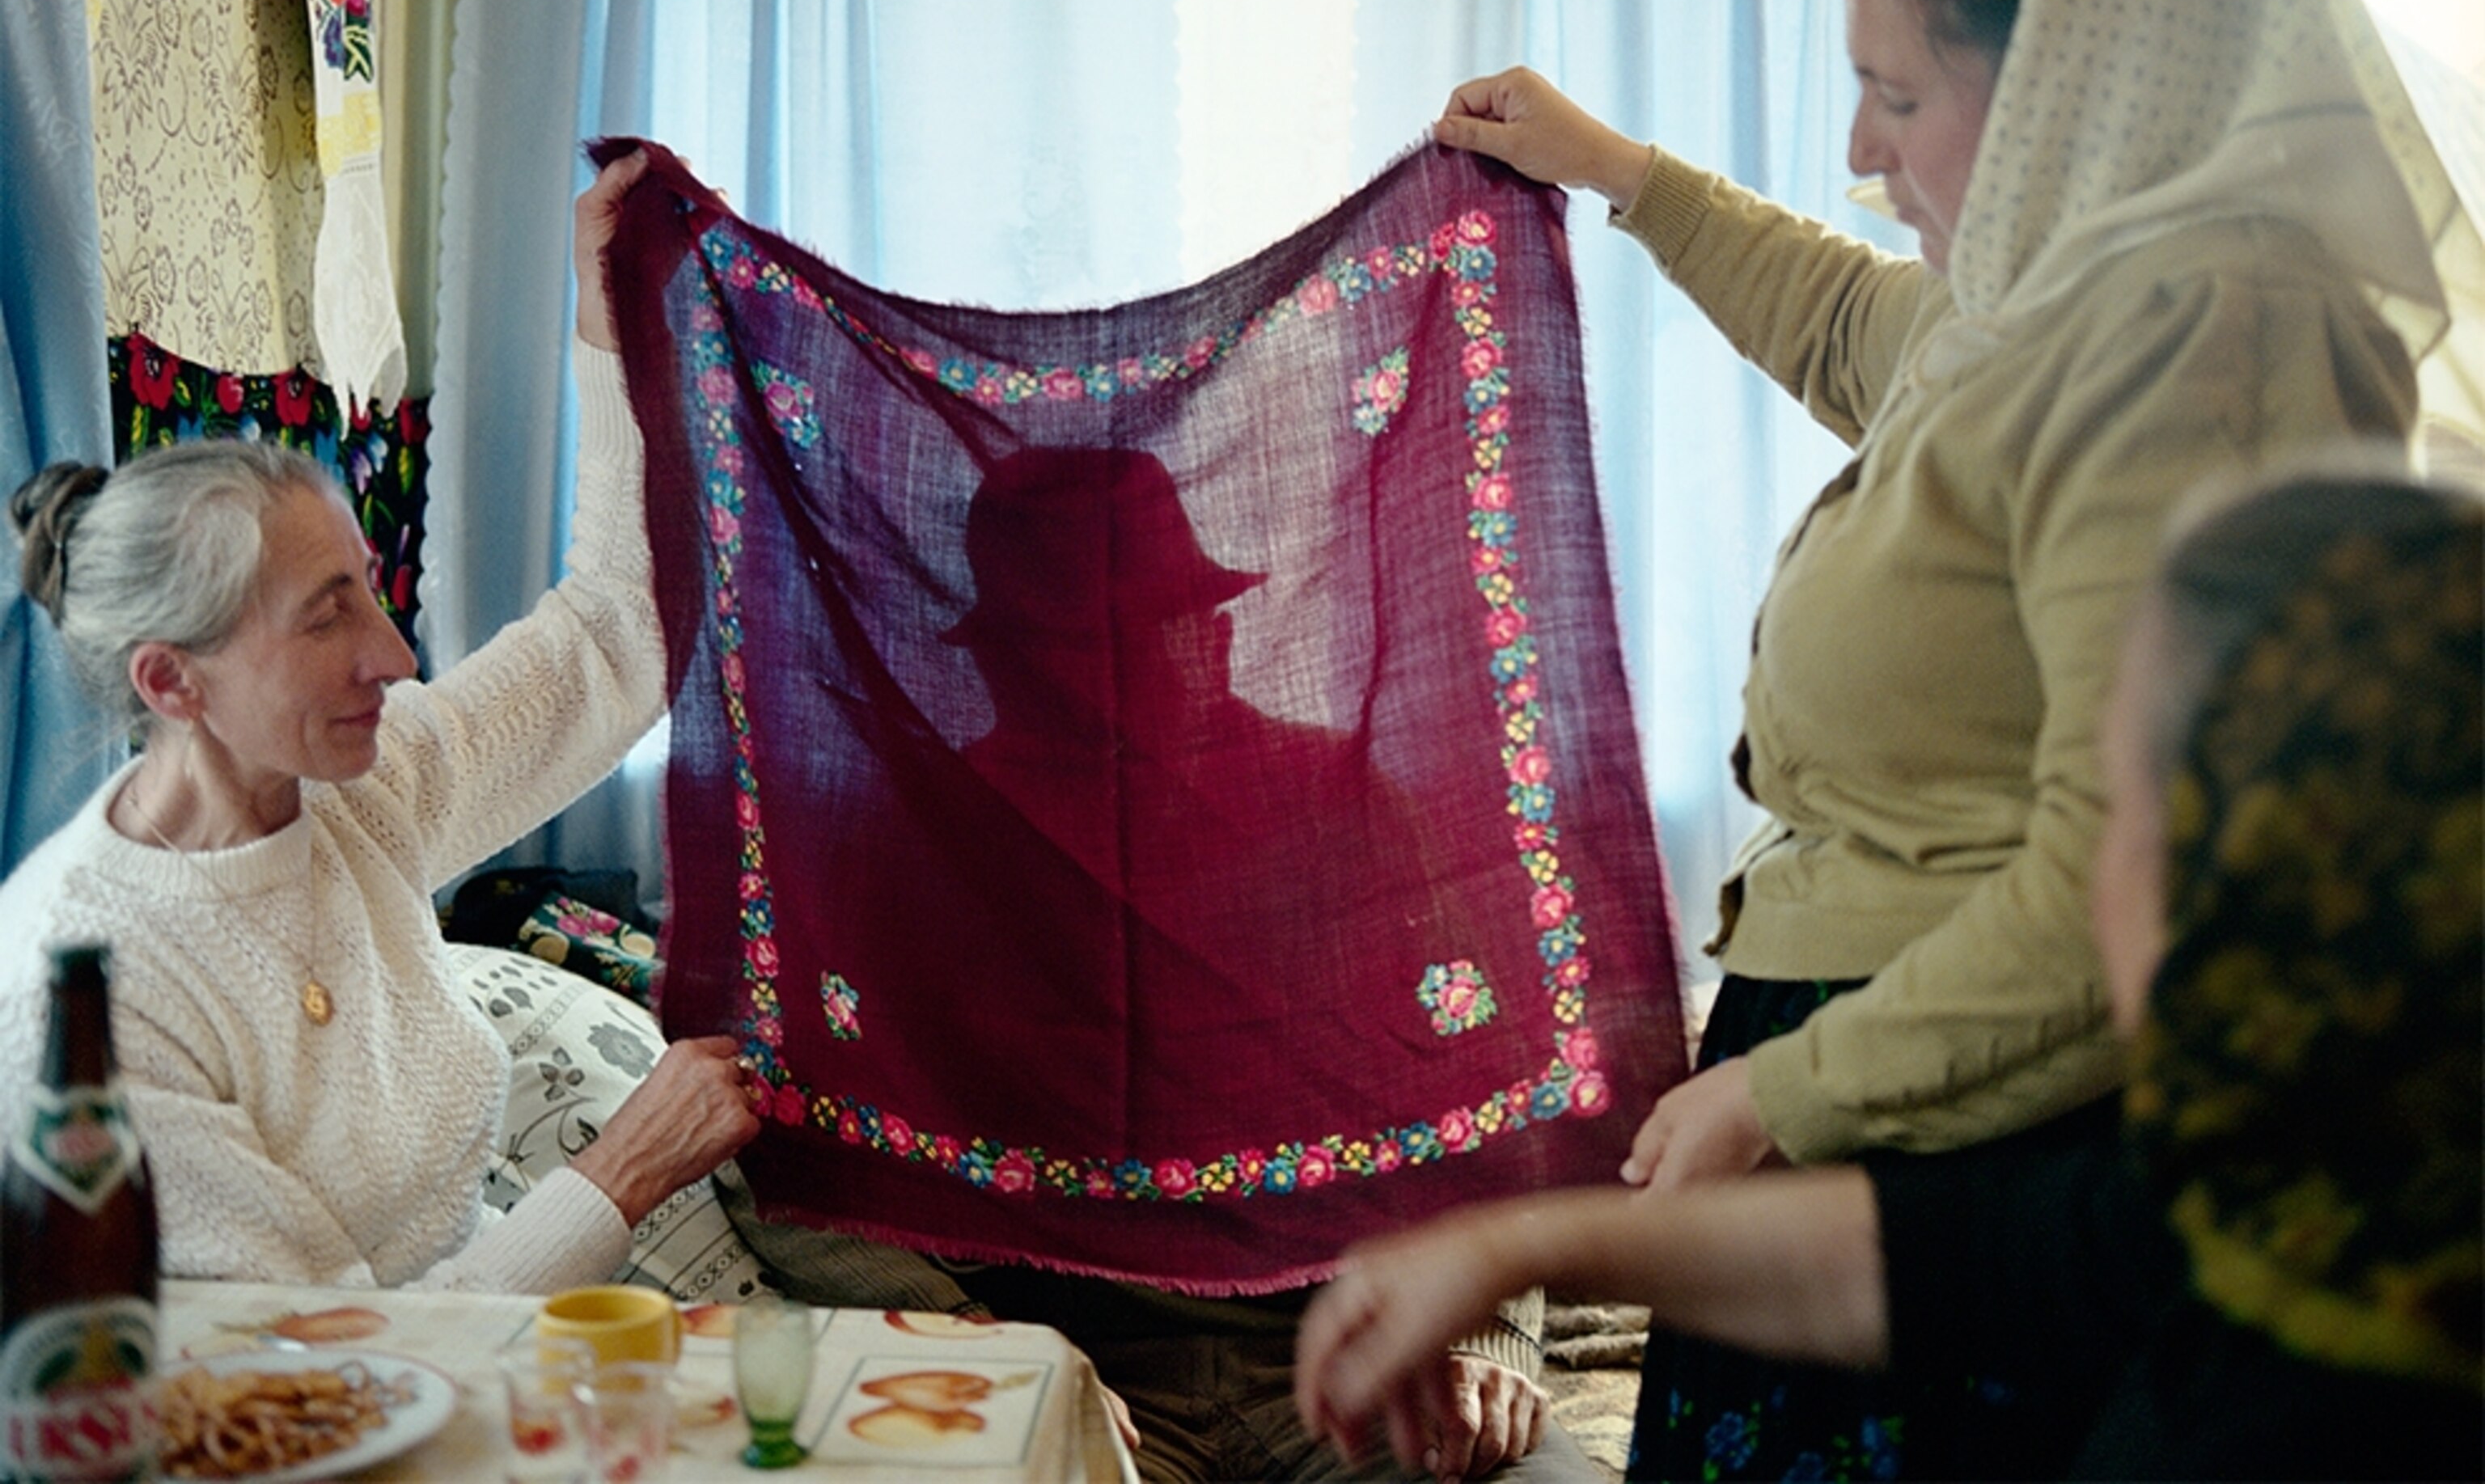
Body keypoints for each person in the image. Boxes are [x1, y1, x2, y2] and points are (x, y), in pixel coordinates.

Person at [1425, 0, 2459, 1474]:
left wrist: (1784, 1095)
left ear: (2083, 76)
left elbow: (2120, 857)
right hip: (1884, 1102)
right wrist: (1612, 169)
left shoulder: (2197, 328)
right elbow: (1848, 317)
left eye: (1899, 93)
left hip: (1961, 1130)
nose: (1859, 147)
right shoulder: (2063, 294)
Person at [1296, 466, 2484, 1483]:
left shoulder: (2342, 1379)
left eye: (2114, 804)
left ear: (2281, 859)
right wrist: (1519, 1249)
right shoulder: (2282, 1187)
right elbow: (1917, 1257)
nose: (2076, 871)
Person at [722, 443, 1581, 1483]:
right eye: (1124, 635)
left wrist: (1482, 1332)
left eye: (1193, 609)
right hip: (1068, 1364)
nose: (1197, 641)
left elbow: (1489, 1097)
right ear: (1017, 664)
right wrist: (976, 1346)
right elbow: (792, 1152)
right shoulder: (901, 849)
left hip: (1365, 1347)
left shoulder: (1343, 803)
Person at [0, 150, 762, 1292]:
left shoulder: (355, 787)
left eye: (367, 588)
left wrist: (615, 329)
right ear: (172, 683)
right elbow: (324, 1369)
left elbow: (618, 637)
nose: (394, 657)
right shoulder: (86, 1004)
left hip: (482, 1359)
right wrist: (626, 1169)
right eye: (326, 618)